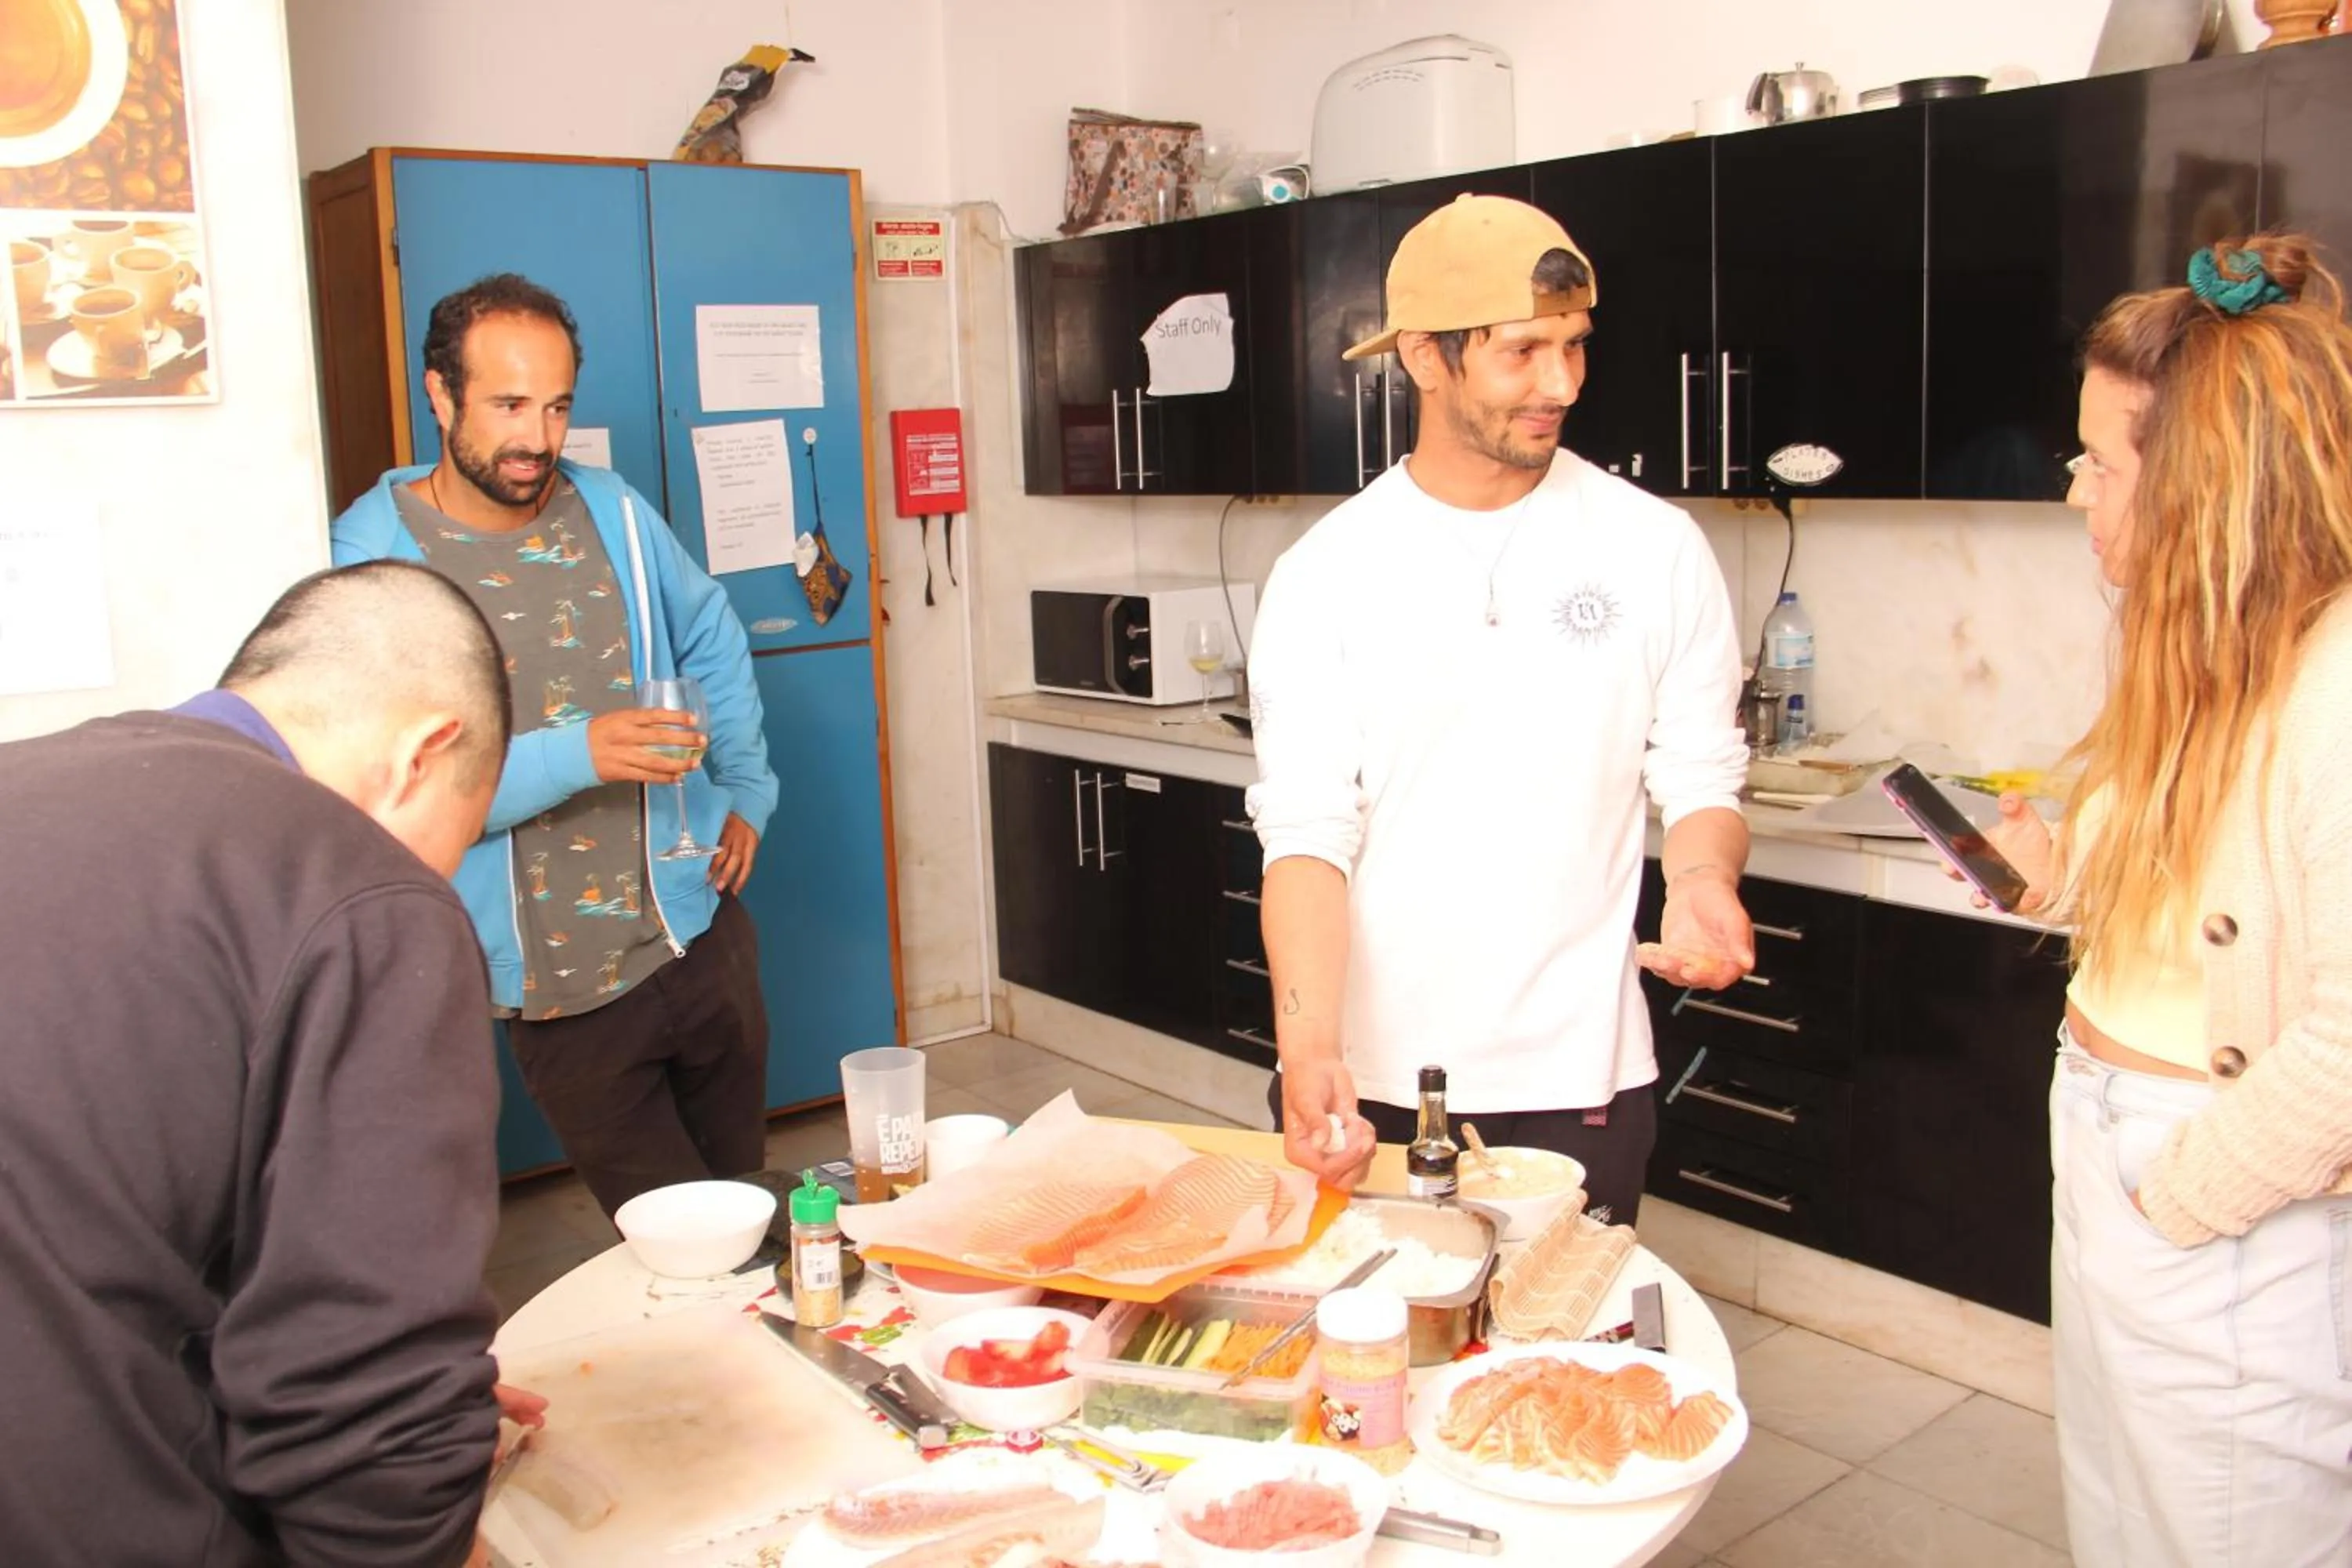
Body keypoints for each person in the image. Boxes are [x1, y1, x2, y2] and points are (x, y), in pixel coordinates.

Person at [0, 562, 545, 1566]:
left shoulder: (27, 780)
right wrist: (413, 1467)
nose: (434, 877)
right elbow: (365, 1402)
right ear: (426, 752)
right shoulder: (355, 891)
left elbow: (84, 1206)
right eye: (455, 844)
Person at [1957, 236, 2352, 1566]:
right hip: (2118, 1151)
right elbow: (2200, 917)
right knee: (2127, 1527)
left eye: (2102, 462)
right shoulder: (2201, 650)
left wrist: (2189, 1194)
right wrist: (2063, 879)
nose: (2078, 490)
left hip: (2225, 1188)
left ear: (2198, 482)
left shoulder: (2340, 682)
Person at [1247, 194, 1756, 1223]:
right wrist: (1308, 1052)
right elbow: (1306, 837)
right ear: (1425, 360)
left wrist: (1704, 876)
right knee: (1375, 1359)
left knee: (1568, 1367)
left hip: (1587, 1080)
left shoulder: (1656, 549)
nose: (1560, 383)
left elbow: (1700, 770)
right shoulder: (1327, 574)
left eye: (1573, 347)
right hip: (1378, 1079)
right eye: (1521, 352)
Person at [333, 273, 781, 1220]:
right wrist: (583, 753)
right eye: (506, 405)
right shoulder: (373, 562)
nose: (537, 438)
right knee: (680, 1241)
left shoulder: (612, 508)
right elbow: (391, 790)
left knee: (753, 1208)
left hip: (698, 930)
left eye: (556, 406)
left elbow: (711, 631)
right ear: (440, 394)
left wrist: (744, 782)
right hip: (560, 990)